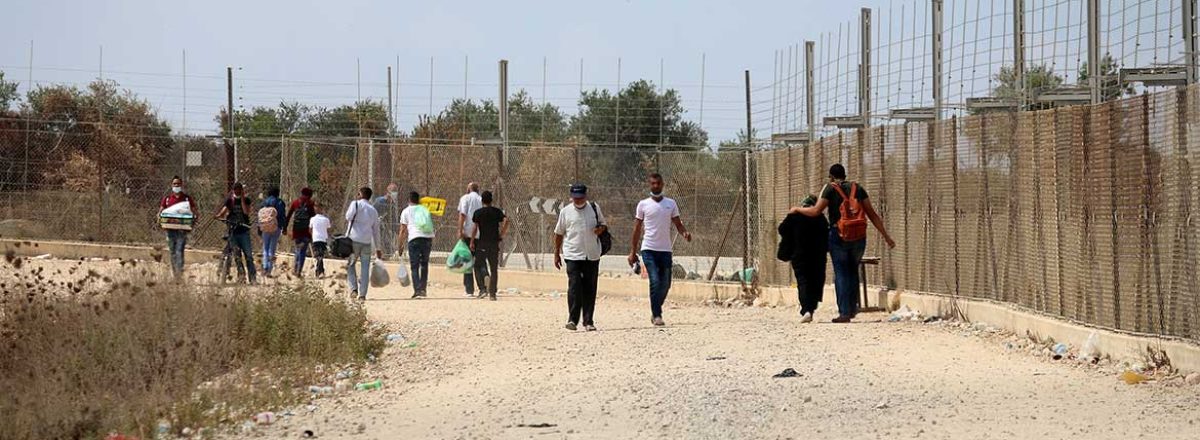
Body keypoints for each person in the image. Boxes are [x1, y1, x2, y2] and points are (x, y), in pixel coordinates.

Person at [791, 163, 895, 323]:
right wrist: (886, 237)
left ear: (831, 176)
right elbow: (872, 214)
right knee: (853, 271)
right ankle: (852, 309)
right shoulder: (858, 189)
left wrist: (797, 209)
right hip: (859, 236)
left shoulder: (830, 188)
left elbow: (816, 211)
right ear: (844, 175)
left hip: (838, 235)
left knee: (841, 272)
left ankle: (844, 313)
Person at [628, 173, 692, 327]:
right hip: (648, 249)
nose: (655, 186)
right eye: (653, 183)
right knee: (655, 280)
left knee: (666, 284)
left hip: (665, 250)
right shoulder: (643, 204)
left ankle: (656, 308)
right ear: (649, 185)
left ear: (662, 184)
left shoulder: (671, 203)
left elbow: (678, 223)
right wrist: (633, 251)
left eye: (658, 183)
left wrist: (684, 233)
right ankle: (657, 314)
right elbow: (637, 228)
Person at [554, 184, 607, 331]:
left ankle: (588, 321)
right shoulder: (565, 212)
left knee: (590, 288)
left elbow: (603, 225)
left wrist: (600, 229)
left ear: (586, 196)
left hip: (592, 255)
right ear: (571, 197)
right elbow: (559, 233)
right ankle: (572, 320)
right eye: (575, 198)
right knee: (575, 287)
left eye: (581, 198)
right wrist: (556, 253)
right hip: (572, 255)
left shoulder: (594, 208)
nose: (578, 201)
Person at [778, 195, 828, 323]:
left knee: (803, 282)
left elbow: (782, 229)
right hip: (818, 257)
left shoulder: (794, 216)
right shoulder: (821, 218)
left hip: (799, 256)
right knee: (816, 282)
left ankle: (806, 309)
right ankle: (810, 308)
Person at [345, 187, 383, 300]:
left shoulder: (355, 204)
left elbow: (348, 217)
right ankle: (362, 295)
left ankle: (353, 289)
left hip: (353, 240)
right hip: (366, 242)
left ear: (360, 194)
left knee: (350, 265)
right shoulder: (373, 210)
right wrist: (378, 248)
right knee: (365, 268)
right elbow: (376, 231)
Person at [215, 182, 257, 284]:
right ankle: (241, 276)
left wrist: (242, 199)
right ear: (233, 191)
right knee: (237, 256)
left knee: (248, 256)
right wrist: (218, 216)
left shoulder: (246, 200)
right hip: (233, 231)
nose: (237, 191)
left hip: (243, 231)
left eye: (239, 190)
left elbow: (246, 212)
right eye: (235, 190)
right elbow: (223, 212)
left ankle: (252, 277)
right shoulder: (230, 201)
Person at [469, 190, 508, 301]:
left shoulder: (478, 213)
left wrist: (472, 241)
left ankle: (482, 288)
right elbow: (506, 220)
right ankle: (492, 294)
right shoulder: (496, 211)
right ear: (491, 200)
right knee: (494, 268)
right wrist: (502, 233)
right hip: (494, 243)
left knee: (477, 265)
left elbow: (475, 228)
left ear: (482, 200)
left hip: (482, 243)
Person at [159, 176, 199, 281]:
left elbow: (195, 212)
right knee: (172, 251)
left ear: (181, 185)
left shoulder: (186, 199)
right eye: (174, 184)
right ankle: (175, 275)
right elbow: (161, 212)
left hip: (182, 230)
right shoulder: (167, 199)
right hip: (170, 230)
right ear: (171, 185)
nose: (176, 186)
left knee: (179, 251)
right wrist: (161, 220)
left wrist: (192, 223)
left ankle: (179, 274)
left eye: (178, 184)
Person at [398, 191, 435, 298]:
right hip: (427, 239)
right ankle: (423, 289)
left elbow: (403, 230)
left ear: (409, 200)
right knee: (424, 264)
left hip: (414, 238)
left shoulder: (406, 211)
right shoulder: (424, 209)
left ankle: (417, 290)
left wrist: (400, 244)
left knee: (414, 266)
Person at [457, 182, 484, 297]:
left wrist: (460, 230)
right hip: (481, 234)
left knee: (467, 261)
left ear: (469, 189)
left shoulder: (465, 198)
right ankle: (483, 287)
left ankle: (469, 290)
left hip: (468, 233)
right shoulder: (482, 199)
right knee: (480, 262)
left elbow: (462, 215)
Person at [285, 187, 317, 277]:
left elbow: (288, 216)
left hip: (296, 230)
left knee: (297, 249)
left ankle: (295, 269)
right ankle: (299, 270)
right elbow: (313, 218)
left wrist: (285, 227)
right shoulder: (310, 204)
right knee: (303, 251)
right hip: (306, 231)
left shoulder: (295, 203)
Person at [257, 187, 288, 277]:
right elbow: (282, 216)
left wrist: (259, 227)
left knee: (265, 248)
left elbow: (260, 216)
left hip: (265, 227)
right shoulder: (280, 202)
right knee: (272, 249)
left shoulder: (264, 202)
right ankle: (269, 270)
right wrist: (284, 227)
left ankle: (265, 267)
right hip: (276, 227)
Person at [373, 182, 404, 258]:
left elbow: (393, 218)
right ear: (388, 192)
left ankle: (385, 254)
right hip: (377, 224)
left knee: (388, 243)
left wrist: (396, 230)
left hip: (385, 226)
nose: (394, 193)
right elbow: (372, 212)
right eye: (393, 191)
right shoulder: (379, 201)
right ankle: (380, 253)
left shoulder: (392, 204)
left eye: (395, 191)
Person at [308, 202, 332, 278]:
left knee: (318, 255)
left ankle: (319, 271)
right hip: (323, 239)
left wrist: (311, 235)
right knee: (320, 255)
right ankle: (320, 271)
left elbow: (310, 229)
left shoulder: (312, 219)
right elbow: (328, 229)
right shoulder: (326, 219)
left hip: (315, 239)